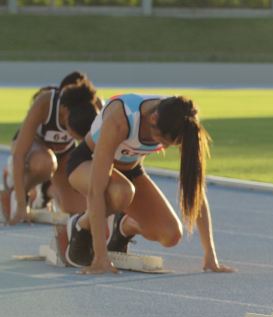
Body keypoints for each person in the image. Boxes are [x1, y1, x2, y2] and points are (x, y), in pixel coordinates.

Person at [65, 93, 235, 275]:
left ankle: (124, 227)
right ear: (153, 118)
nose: (163, 146)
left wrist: (210, 255)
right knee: (122, 192)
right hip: (85, 163)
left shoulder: (179, 122)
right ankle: (80, 224)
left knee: (170, 235)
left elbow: (195, 190)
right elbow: (95, 191)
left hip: (131, 172)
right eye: (161, 140)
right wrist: (100, 257)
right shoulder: (121, 118)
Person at [3, 71, 100, 225]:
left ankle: (45, 191)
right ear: (67, 111)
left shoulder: (92, 107)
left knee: (76, 207)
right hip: (34, 151)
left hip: (63, 152)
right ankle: (15, 188)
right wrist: (21, 206)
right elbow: (19, 154)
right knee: (45, 163)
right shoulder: (45, 103)